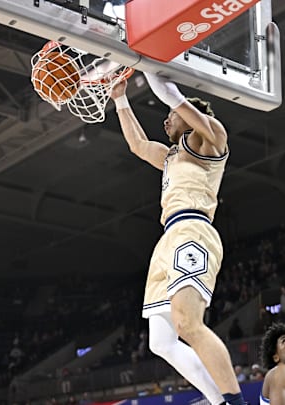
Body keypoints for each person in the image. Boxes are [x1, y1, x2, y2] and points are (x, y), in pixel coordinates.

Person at [111, 73, 243, 405]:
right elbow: (139, 146)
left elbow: (173, 97)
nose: (165, 119)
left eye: (171, 115)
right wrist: (119, 98)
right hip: (168, 237)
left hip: (193, 230)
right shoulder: (172, 157)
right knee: (161, 341)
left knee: (187, 324)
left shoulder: (211, 140)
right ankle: (220, 401)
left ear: (188, 116)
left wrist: (151, 69)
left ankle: (237, 402)